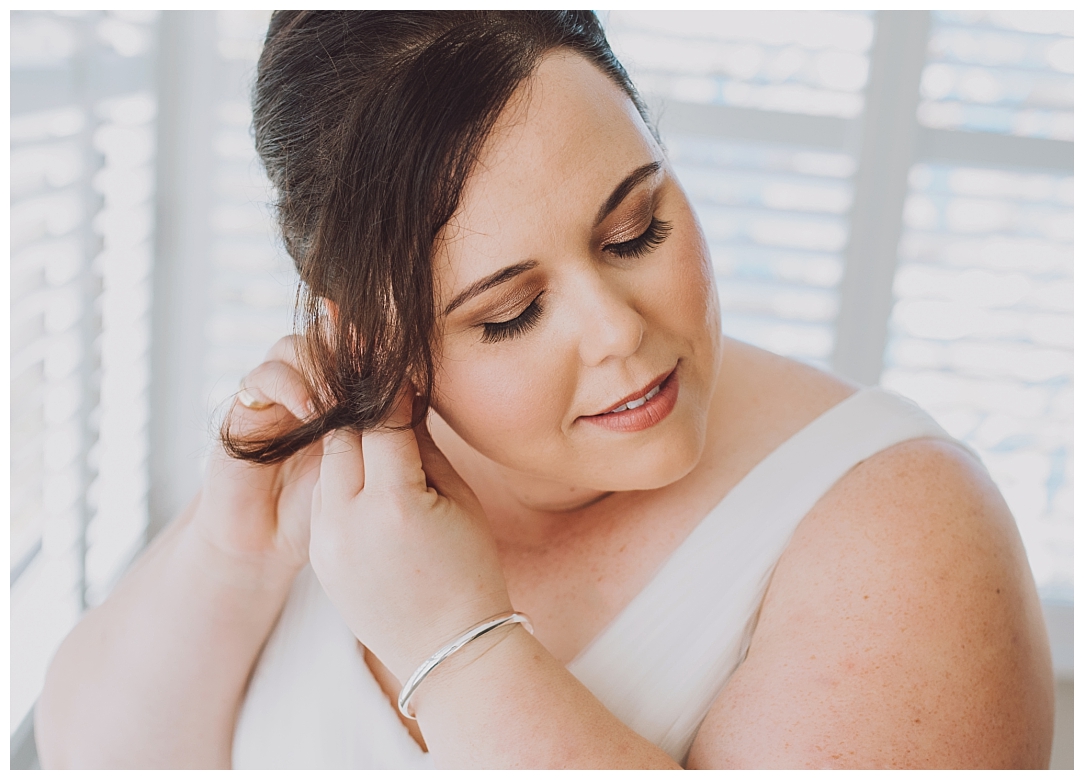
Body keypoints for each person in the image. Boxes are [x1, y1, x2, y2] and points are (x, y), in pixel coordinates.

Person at [36, 11, 1054, 769]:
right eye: (510, 312)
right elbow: (92, 759)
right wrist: (230, 557)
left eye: (635, 230)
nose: (620, 333)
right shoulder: (340, 475)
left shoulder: (908, 529)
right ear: (376, 337)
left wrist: (458, 647)